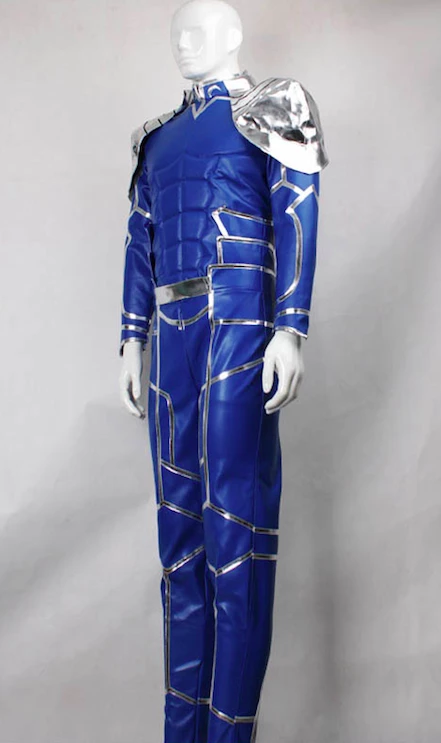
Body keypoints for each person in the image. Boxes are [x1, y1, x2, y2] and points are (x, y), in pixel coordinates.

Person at [119, 1, 328, 741]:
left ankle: (230, 730)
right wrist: (131, 339)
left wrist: (290, 329)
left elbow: (295, 209)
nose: (184, 43)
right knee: (179, 545)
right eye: (176, 32)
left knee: (235, 534)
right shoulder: (156, 140)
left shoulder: (272, 109)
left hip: (238, 318)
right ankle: (182, 731)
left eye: (198, 30)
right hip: (171, 335)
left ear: (233, 35)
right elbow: (141, 239)